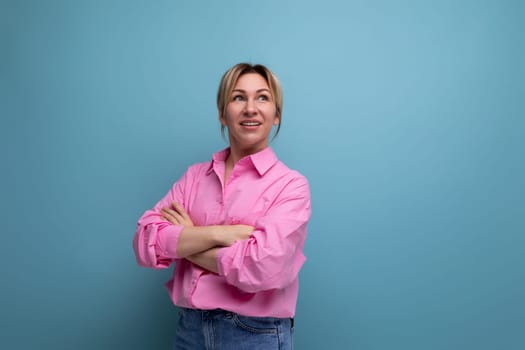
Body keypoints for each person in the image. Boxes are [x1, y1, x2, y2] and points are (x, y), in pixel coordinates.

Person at [133, 63, 311, 350]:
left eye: (263, 98)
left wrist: (186, 243)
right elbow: (145, 241)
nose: (250, 108)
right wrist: (222, 234)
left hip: (255, 334)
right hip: (190, 330)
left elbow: (263, 269)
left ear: (276, 115)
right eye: (238, 97)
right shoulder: (194, 178)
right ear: (222, 113)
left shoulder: (291, 186)